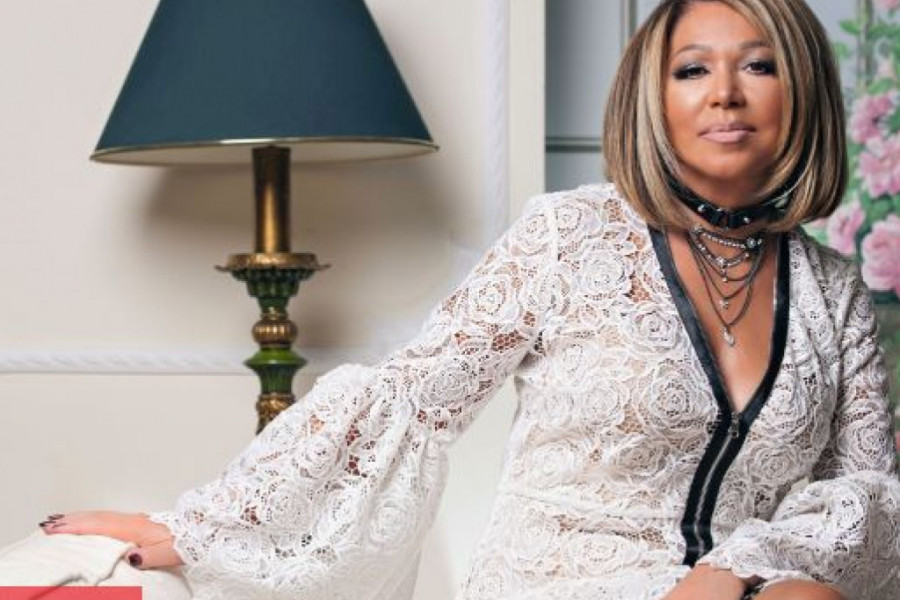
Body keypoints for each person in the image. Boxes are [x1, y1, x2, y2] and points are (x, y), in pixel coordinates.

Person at [32, 0, 900, 599]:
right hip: (565, 584)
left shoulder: (832, 291)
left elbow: (868, 493)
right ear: (654, 97)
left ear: (800, 91)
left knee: (807, 596)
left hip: (743, 585)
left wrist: (735, 564)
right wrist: (205, 526)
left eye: (759, 65)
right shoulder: (569, 236)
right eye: (691, 69)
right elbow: (411, 398)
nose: (725, 93)